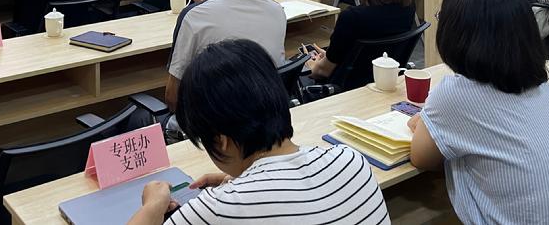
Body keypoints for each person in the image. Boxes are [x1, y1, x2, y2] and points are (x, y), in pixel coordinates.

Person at [408, 0, 549, 224]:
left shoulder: (456, 94)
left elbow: (421, 158)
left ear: (454, 35)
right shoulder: (542, 86)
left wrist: (423, 124)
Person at [129, 40, 389, 225]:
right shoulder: (351, 160)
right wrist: (242, 181)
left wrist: (153, 206)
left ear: (221, 142)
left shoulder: (217, 209)